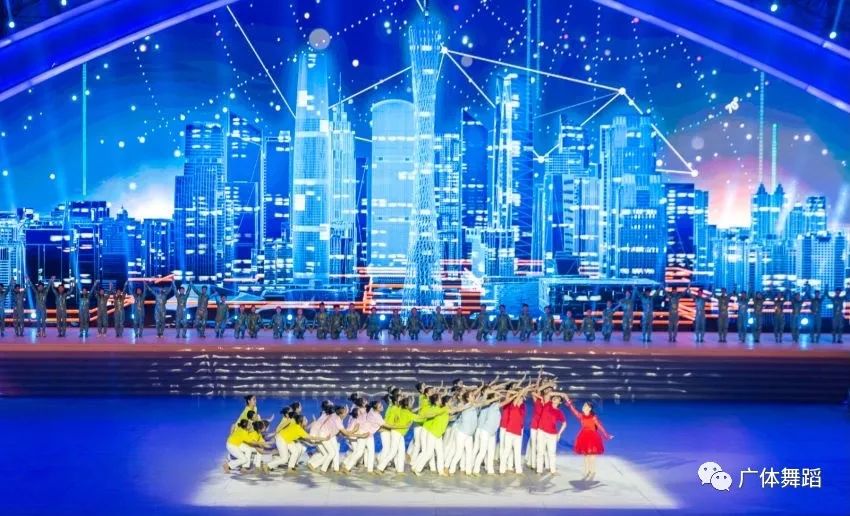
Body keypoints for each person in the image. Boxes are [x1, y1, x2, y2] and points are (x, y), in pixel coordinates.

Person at [565, 397, 613, 480]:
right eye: (584, 406)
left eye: (586, 406)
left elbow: (600, 426)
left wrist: (607, 435)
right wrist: (569, 403)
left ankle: (592, 471)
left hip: (593, 437)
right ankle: (587, 471)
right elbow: (573, 410)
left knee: (592, 456)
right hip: (584, 436)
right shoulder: (581, 416)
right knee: (586, 456)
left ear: (590, 408)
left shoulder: (594, 417)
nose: (584, 407)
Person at [536, 394, 568, 474]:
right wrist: (559, 394)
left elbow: (564, 424)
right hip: (542, 431)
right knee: (540, 451)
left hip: (552, 434)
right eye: (554, 397)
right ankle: (539, 470)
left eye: (558, 398)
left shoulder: (559, 412)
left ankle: (553, 470)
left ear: (560, 402)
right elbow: (548, 394)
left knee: (552, 453)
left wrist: (559, 434)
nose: (555, 398)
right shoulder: (547, 404)